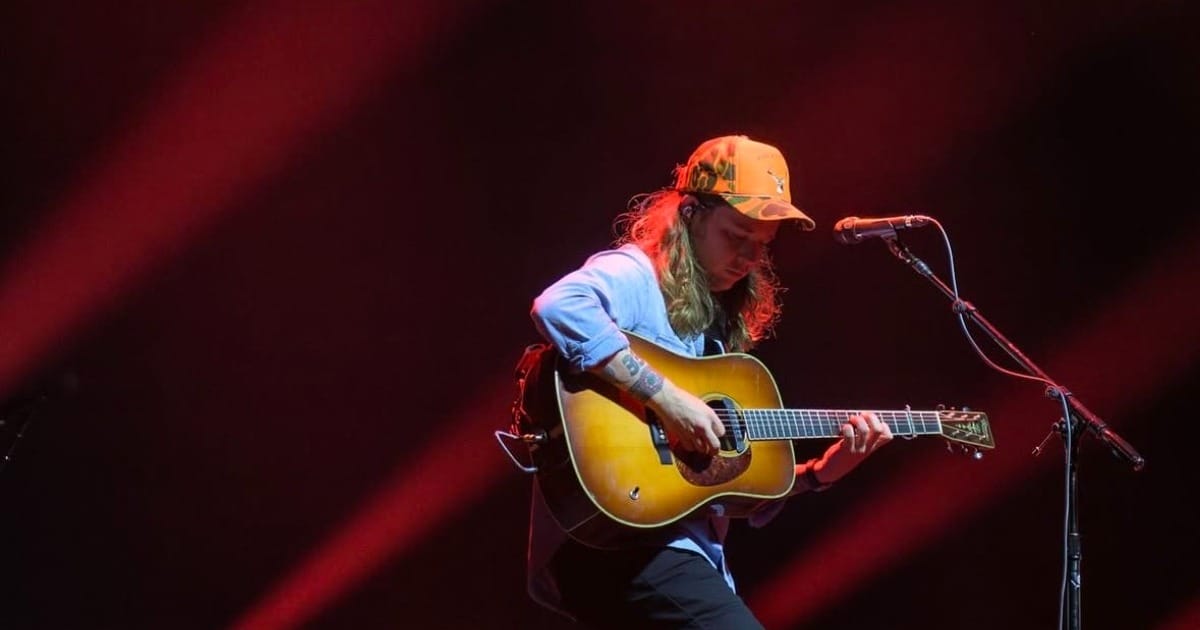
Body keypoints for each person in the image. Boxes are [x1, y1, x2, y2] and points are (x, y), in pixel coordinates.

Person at [525, 134, 893, 628]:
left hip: (671, 547)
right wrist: (666, 399)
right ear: (690, 214)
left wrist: (820, 474)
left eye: (761, 247)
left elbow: (722, 486)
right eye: (736, 236)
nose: (746, 258)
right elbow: (559, 305)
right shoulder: (637, 274)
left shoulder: (715, 332)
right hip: (624, 544)